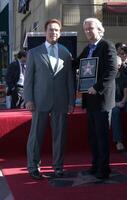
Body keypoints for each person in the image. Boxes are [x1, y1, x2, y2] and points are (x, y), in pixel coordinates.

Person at [24, 19, 75, 180]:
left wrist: (71, 102)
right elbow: (28, 80)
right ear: (45, 32)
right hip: (39, 101)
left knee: (60, 136)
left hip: (61, 101)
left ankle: (58, 167)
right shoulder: (34, 52)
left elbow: (69, 80)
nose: (54, 32)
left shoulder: (66, 53)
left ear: (60, 33)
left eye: (56, 30)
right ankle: (33, 167)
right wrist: (29, 99)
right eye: (51, 30)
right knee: (36, 136)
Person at [75, 18, 117, 180]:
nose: (88, 31)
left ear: (100, 29)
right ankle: (95, 166)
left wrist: (97, 87)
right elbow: (75, 64)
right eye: (85, 29)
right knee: (93, 136)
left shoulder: (107, 45)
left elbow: (112, 71)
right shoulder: (87, 49)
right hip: (89, 99)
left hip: (102, 99)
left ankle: (104, 169)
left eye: (91, 28)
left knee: (102, 136)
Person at [111, 59, 127, 151]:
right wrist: (115, 104)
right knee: (115, 112)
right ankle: (118, 141)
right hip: (111, 102)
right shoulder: (107, 78)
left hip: (122, 101)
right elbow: (106, 95)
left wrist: (123, 102)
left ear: (119, 66)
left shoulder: (124, 78)